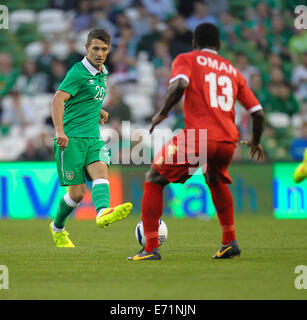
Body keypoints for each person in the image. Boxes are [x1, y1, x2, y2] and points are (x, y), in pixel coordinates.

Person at [128, 23, 265, 261]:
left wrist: (163, 112)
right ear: (219, 45)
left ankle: (150, 248)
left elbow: (180, 84)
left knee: (154, 178)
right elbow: (258, 112)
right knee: (215, 179)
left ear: (194, 43)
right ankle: (229, 242)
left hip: (199, 137)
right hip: (227, 141)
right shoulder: (232, 70)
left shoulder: (187, 58)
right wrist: (255, 140)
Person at [50, 29, 132, 248]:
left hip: (93, 137)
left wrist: (99, 111)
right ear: (86, 48)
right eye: (95, 48)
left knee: (102, 170)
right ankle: (57, 227)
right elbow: (58, 100)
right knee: (76, 194)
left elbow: (86, 98)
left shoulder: (103, 72)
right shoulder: (78, 72)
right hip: (72, 138)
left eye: (104, 49)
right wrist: (60, 131)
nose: (100, 53)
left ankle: (103, 211)